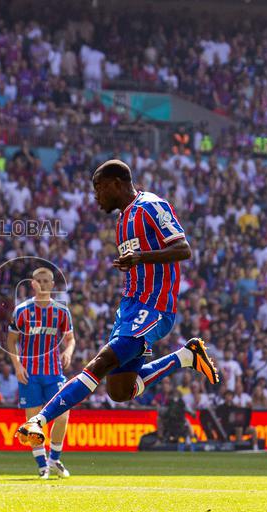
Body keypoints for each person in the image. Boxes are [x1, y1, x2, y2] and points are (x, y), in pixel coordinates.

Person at [17, 160, 220, 446]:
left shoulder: (151, 206)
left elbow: (183, 249)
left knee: (102, 362)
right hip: (130, 307)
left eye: (98, 188)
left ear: (115, 183)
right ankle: (186, 357)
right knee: (120, 390)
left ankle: (39, 420)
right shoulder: (122, 220)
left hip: (154, 307)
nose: (95, 196)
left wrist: (141, 258)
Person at [6, 267, 75, 479]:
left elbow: (71, 338)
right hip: (30, 373)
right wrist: (17, 366)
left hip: (54, 372)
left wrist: (68, 351)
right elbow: (11, 342)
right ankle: (42, 465)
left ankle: (54, 459)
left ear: (53, 285)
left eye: (47, 281)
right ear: (32, 284)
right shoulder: (22, 311)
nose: (43, 284)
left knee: (62, 416)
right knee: (34, 421)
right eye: (39, 281)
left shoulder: (61, 311)